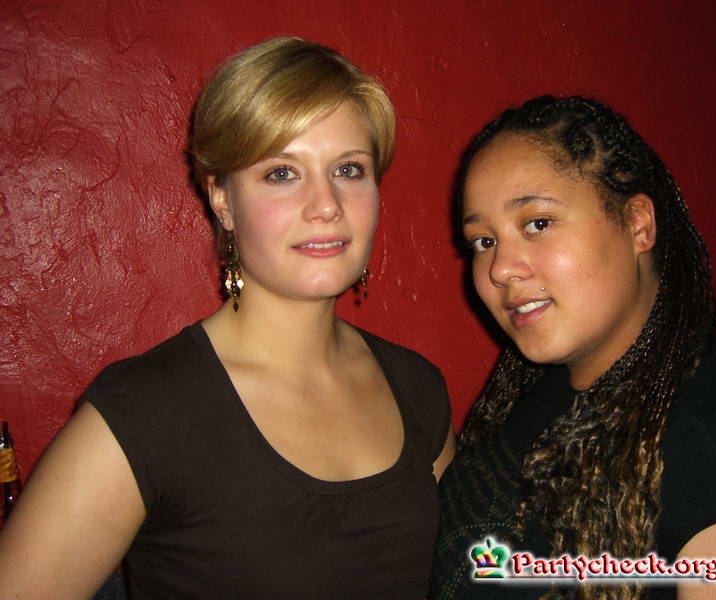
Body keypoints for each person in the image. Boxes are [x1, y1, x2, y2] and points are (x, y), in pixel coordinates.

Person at [0, 37, 455, 599]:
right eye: (282, 173)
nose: (326, 206)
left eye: (348, 169)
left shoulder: (418, 388)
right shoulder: (146, 413)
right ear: (222, 199)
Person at [430, 95, 716, 600]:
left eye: (538, 223)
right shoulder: (545, 381)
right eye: (483, 241)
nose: (500, 269)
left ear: (638, 223)